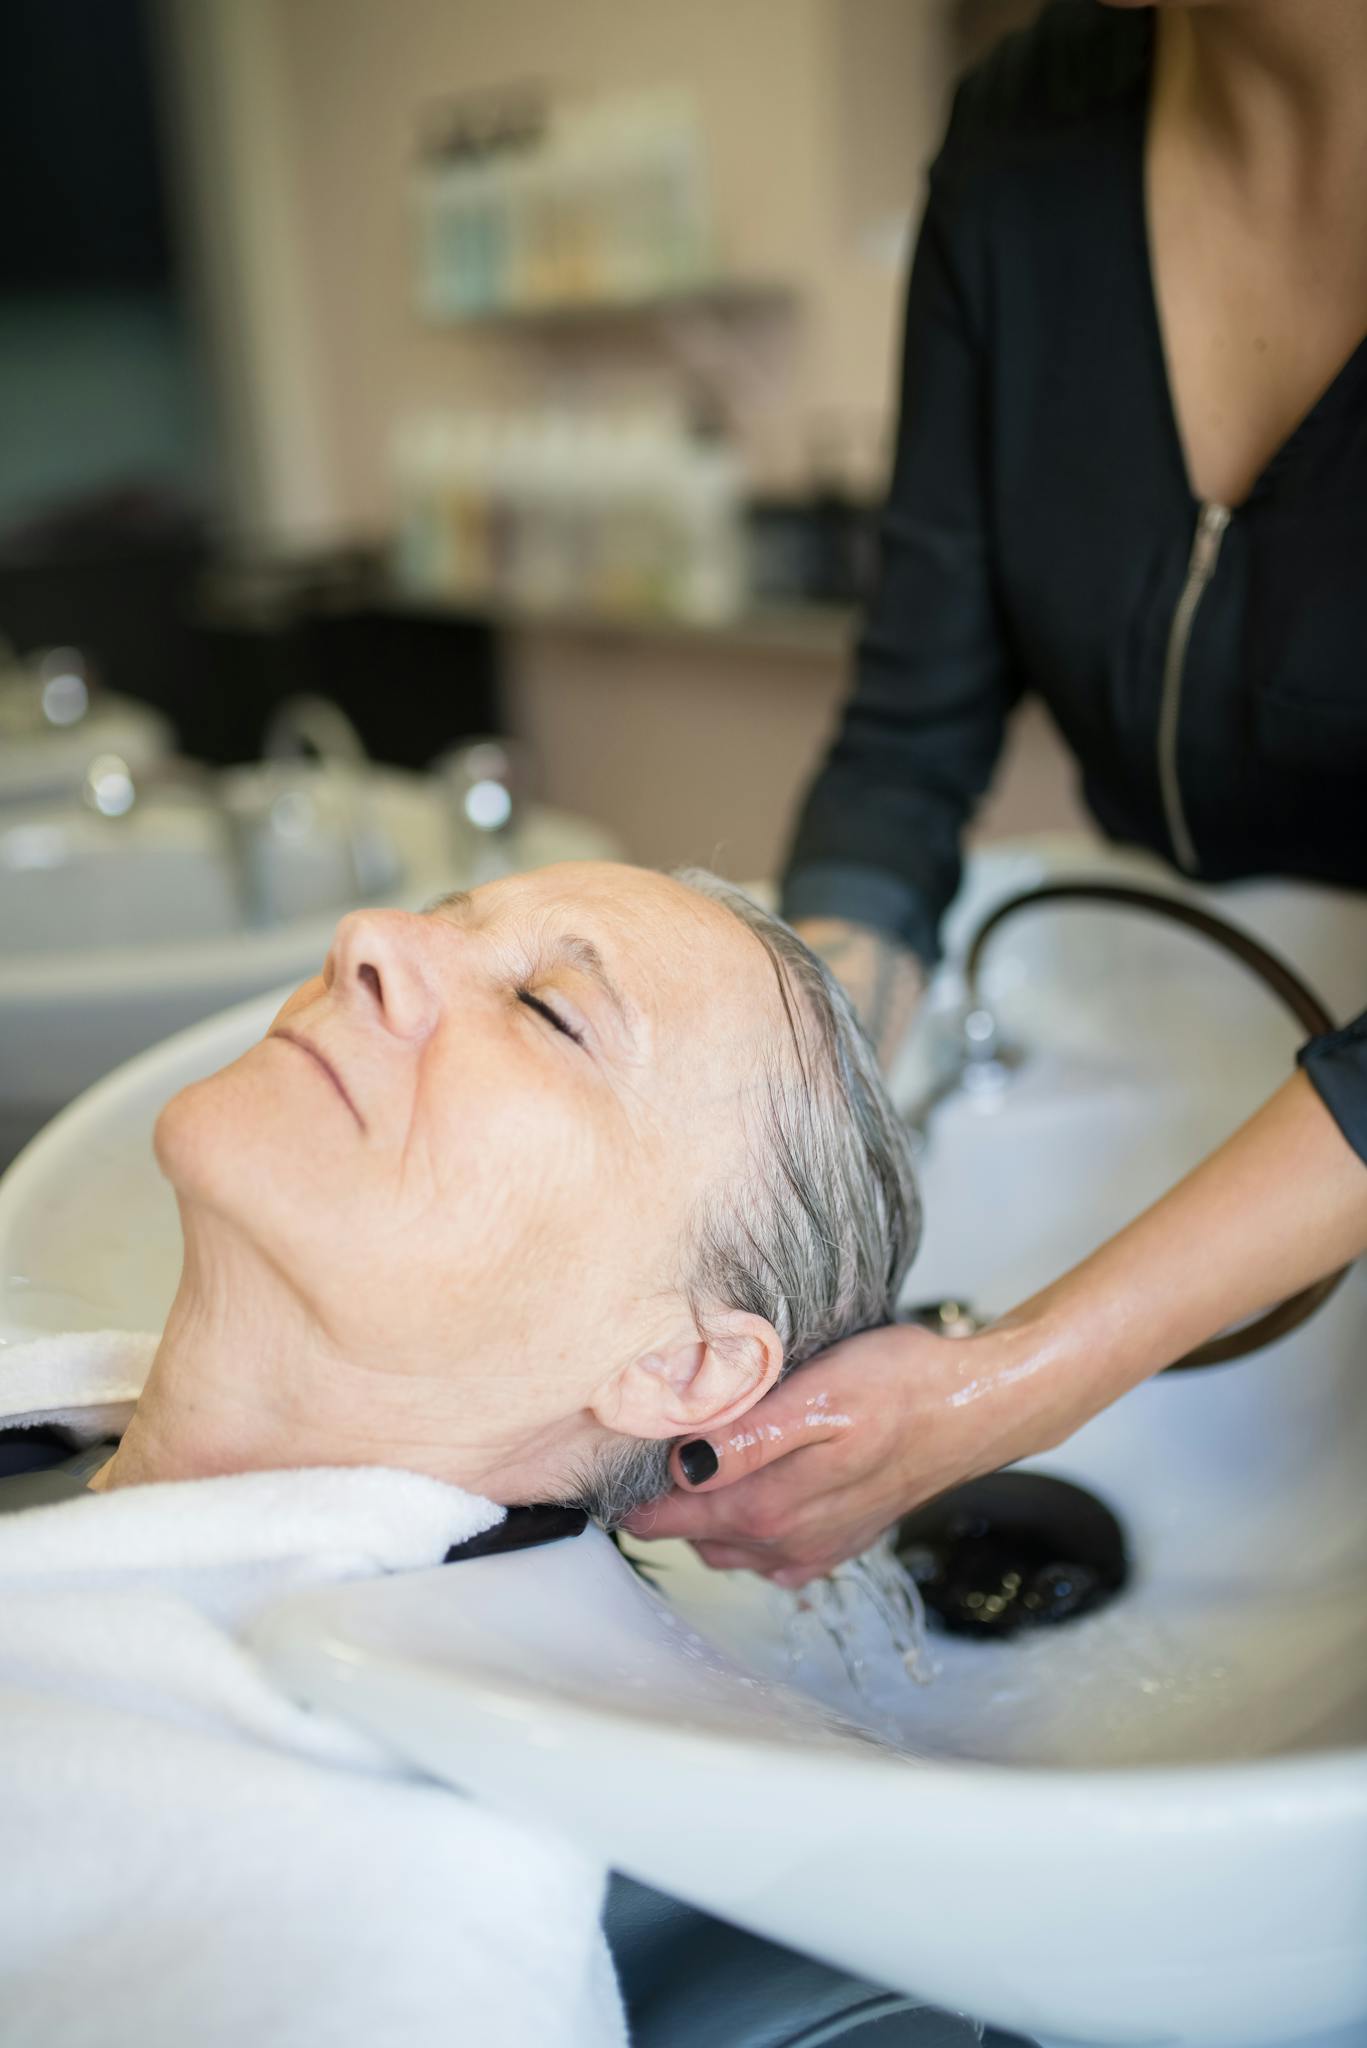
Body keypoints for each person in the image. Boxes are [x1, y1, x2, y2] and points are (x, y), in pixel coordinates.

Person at [619, 0, 1367, 1583]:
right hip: (1183, 1012)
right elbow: (907, 742)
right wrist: (779, 1151)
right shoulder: (1026, 137)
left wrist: (1012, 1381)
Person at [0, 862, 916, 2048]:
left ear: (677, 1367)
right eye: (437, 920)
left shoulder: (385, 1930)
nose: (367, 937)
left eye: (549, 1008)